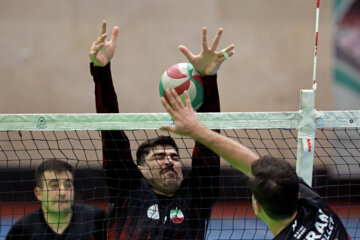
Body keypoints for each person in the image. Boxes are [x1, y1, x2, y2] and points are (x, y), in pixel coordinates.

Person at [89, 20, 234, 239]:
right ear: (139, 168)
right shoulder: (127, 191)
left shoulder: (196, 197)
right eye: (159, 156)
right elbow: (112, 133)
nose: (169, 161)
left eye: (174, 156)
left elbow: (209, 143)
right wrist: (101, 71)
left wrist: (209, 79)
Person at [159, 89, 351, 239]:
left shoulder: (312, 204)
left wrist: (196, 130)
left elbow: (250, 163)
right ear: (298, 193)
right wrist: (197, 130)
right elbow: (250, 162)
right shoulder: (315, 207)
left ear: (257, 206)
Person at [6, 159, 107, 240]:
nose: (62, 193)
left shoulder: (96, 218)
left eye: (68, 185)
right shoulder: (22, 230)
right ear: (39, 193)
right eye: (54, 186)